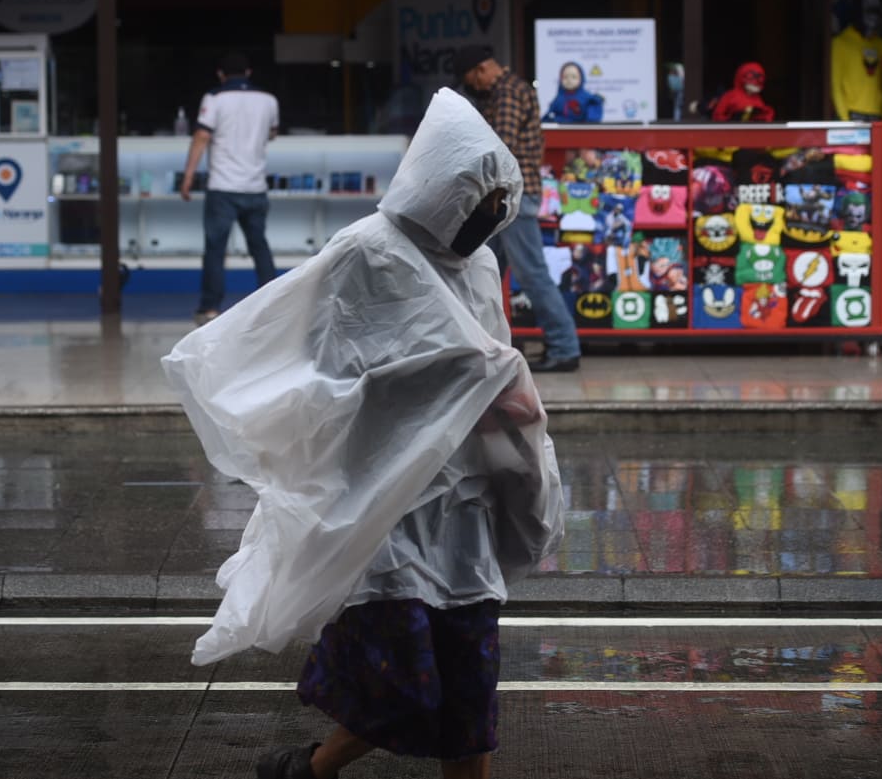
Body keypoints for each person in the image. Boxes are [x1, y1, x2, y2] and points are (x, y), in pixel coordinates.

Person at [163, 87, 565, 779]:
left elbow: (487, 358)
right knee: (401, 679)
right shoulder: (367, 251)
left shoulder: (481, 262)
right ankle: (310, 767)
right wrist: (451, 374)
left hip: (463, 502)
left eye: (496, 206)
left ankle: (313, 770)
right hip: (390, 500)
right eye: (478, 201)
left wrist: (501, 406)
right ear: (441, 186)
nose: (487, 218)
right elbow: (323, 359)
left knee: (469, 686)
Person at [454, 43, 582, 373]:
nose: (476, 87)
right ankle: (478, 344)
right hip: (510, 196)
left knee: (531, 273)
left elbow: (501, 146)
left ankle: (565, 346)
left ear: (482, 69)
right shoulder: (512, 89)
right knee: (483, 270)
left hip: (512, 196)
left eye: (473, 80)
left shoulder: (507, 92)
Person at [180, 52, 279, 326]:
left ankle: (210, 307)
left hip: (223, 187)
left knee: (215, 248)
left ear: (220, 74)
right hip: (256, 186)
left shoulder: (214, 98)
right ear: (248, 73)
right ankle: (274, 304)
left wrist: (188, 176)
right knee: (259, 246)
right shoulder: (269, 100)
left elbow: (202, 134)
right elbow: (272, 133)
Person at [710, 61, 775, 122]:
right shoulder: (730, 96)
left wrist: (764, 115)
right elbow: (717, 116)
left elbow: (766, 118)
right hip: (733, 132)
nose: (756, 81)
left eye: (760, 78)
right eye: (751, 77)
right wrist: (731, 120)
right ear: (741, 77)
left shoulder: (758, 99)